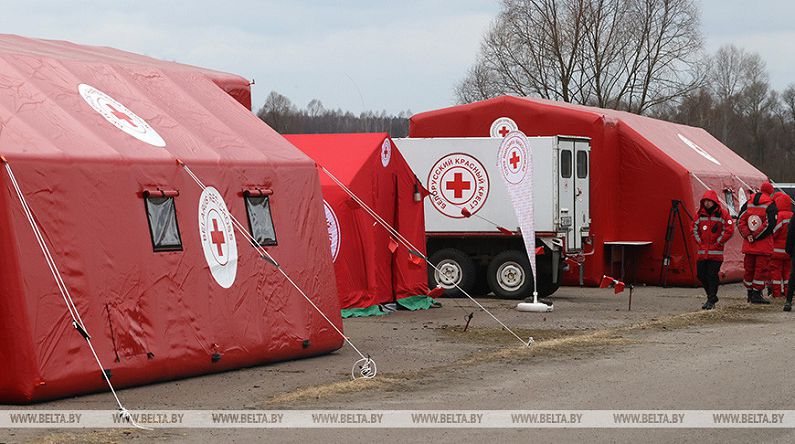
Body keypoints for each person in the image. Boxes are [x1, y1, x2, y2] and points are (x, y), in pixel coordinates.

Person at [692, 190, 734, 309]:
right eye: (705, 201)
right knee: (700, 275)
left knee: (711, 275)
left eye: (709, 201)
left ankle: (711, 299)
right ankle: (711, 297)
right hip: (702, 252)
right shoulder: (699, 215)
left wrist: (719, 242)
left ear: (714, 202)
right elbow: (693, 229)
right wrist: (699, 242)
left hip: (716, 253)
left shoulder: (722, 214)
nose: (707, 203)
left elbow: (729, 229)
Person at [737, 181, 778, 304]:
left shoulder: (748, 203)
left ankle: (749, 294)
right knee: (761, 270)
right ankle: (757, 294)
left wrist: (748, 235)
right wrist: (756, 236)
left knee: (749, 269)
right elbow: (770, 224)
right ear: (771, 192)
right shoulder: (771, 205)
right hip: (763, 245)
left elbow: (740, 221)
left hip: (749, 245)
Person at [769, 192, 792, 298]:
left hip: (777, 251)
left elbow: (775, 230)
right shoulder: (792, 215)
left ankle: (776, 293)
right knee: (787, 273)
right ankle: (787, 292)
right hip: (789, 251)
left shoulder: (780, 216)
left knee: (775, 273)